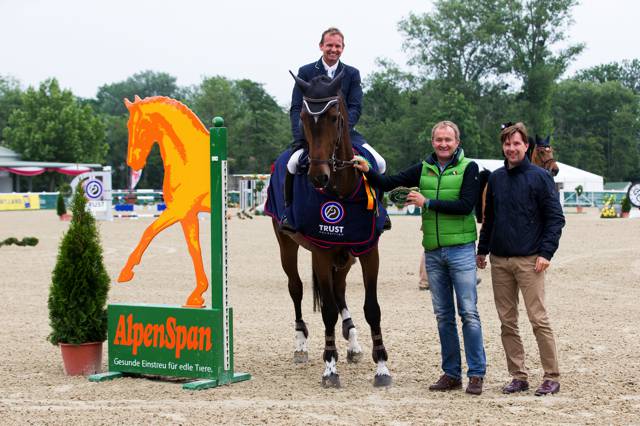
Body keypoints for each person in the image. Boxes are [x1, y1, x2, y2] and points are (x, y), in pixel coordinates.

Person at [354, 120, 486, 395]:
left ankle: (476, 374)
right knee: (443, 316)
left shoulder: (469, 168)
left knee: (469, 314)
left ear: (457, 142)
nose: (443, 144)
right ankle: (451, 373)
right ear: (432, 142)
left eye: (448, 140)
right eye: (438, 139)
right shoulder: (423, 168)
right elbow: (390, 183)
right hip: (434, 251)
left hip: (461, 249)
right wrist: (367, 171)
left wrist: (427, 203)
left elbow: (465, 206)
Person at [476, 122, 565, 396]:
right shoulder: (496, 179)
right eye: (507, 144)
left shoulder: (540, 178)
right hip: (501, 261)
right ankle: (518, 375)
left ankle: (551, 375)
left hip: (530, 260)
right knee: (507, 321)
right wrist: (483, 249)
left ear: (526, 146)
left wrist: (546, 253)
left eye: (516, 144)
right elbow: (489, 218)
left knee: (538, 319)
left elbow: (555, 219)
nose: (511, 148)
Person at [281, 27, 387, 231]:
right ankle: (288, 211)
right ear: (321, 46)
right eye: (329, 45)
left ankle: (379, 209)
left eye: (337, 46)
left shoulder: (352, 73)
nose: (333, 49)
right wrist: (301, 134)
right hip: (312, 134)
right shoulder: (306, 71)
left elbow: (355, 106)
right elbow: (296, 107)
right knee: (292, 163)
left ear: (343, 48)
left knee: (380, 163)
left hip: (345, 133)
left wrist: (343, 131)